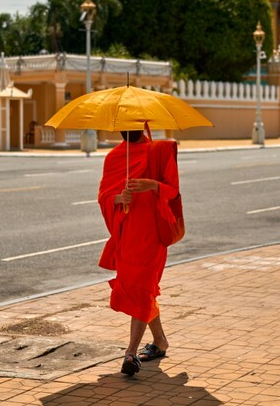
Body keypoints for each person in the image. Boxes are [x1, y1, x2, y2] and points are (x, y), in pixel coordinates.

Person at [97, 129, 180, 376]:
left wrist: (153, 185)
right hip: (127, 236)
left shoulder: (159, 152)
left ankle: (130, 354)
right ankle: (160, 341)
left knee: (142, 288)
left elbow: (173, 191)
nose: (128, 128)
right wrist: (118, 198)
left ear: (143, 123)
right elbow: (103, 196)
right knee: (137, 288)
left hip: (152, 235)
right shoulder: (114, 156)